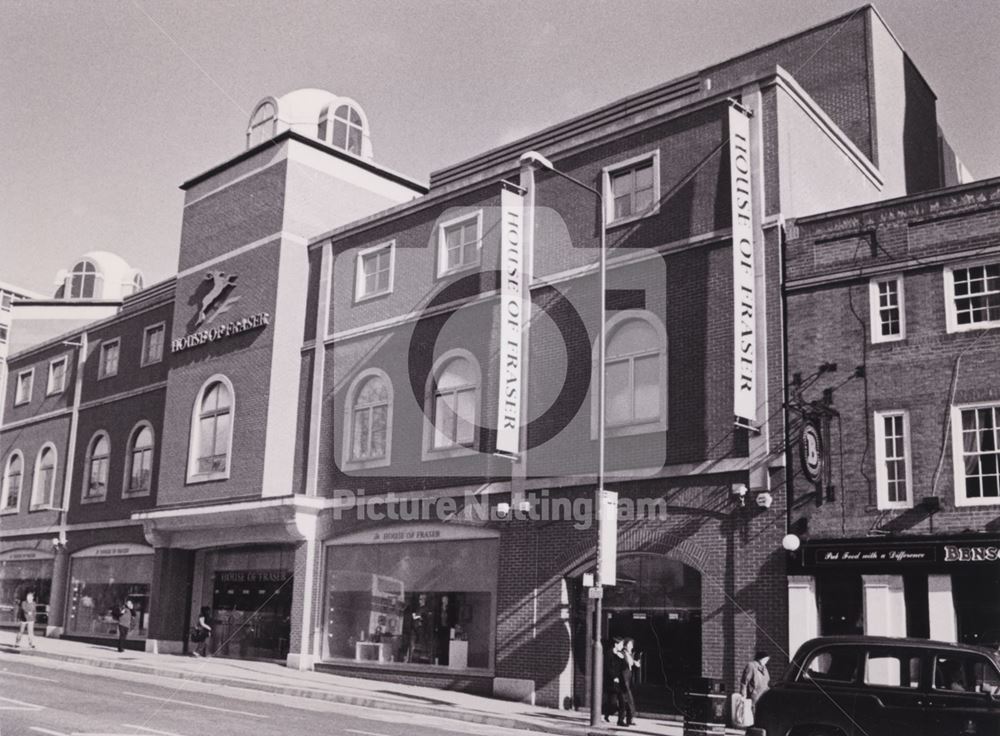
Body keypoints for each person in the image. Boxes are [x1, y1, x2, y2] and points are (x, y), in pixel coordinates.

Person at [609, 637, 635, 727]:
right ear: (616, 644)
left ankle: (623, 719)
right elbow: (612, 667)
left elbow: (624, 666)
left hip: (623, 680)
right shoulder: (614, 654)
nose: (622, 646)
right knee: (622, 701)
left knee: (624, 701)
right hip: (619, 681)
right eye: (621, 644)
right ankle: (621, 719)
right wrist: (614, 677)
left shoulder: (620, 654)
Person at [622, 638, 641, 724]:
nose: (632, 646)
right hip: (624, 678)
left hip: (629, 678)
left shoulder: (629, 654)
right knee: (629, 699)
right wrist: (634, 662)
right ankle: (629, 718)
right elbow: (627, 662)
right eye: (630, 644)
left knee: (628, 699)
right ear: (626, 645)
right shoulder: (623, 653)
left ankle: (629, 719)